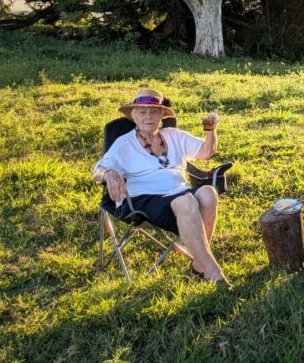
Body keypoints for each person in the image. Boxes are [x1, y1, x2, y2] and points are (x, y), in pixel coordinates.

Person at [93, 88, 229, 285]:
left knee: (208, 193)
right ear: (134, 116)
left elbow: (206, 152)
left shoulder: (173, 135)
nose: (148, 116)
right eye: (142, 112)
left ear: (162, 116)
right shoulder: (124, 143)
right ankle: (213, 272)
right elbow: (98, 168)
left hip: (178, 192)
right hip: (142, 199)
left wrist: (210, 130)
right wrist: (110, 173)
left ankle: (200, 265)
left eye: (154, 111)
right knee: (186, 201)